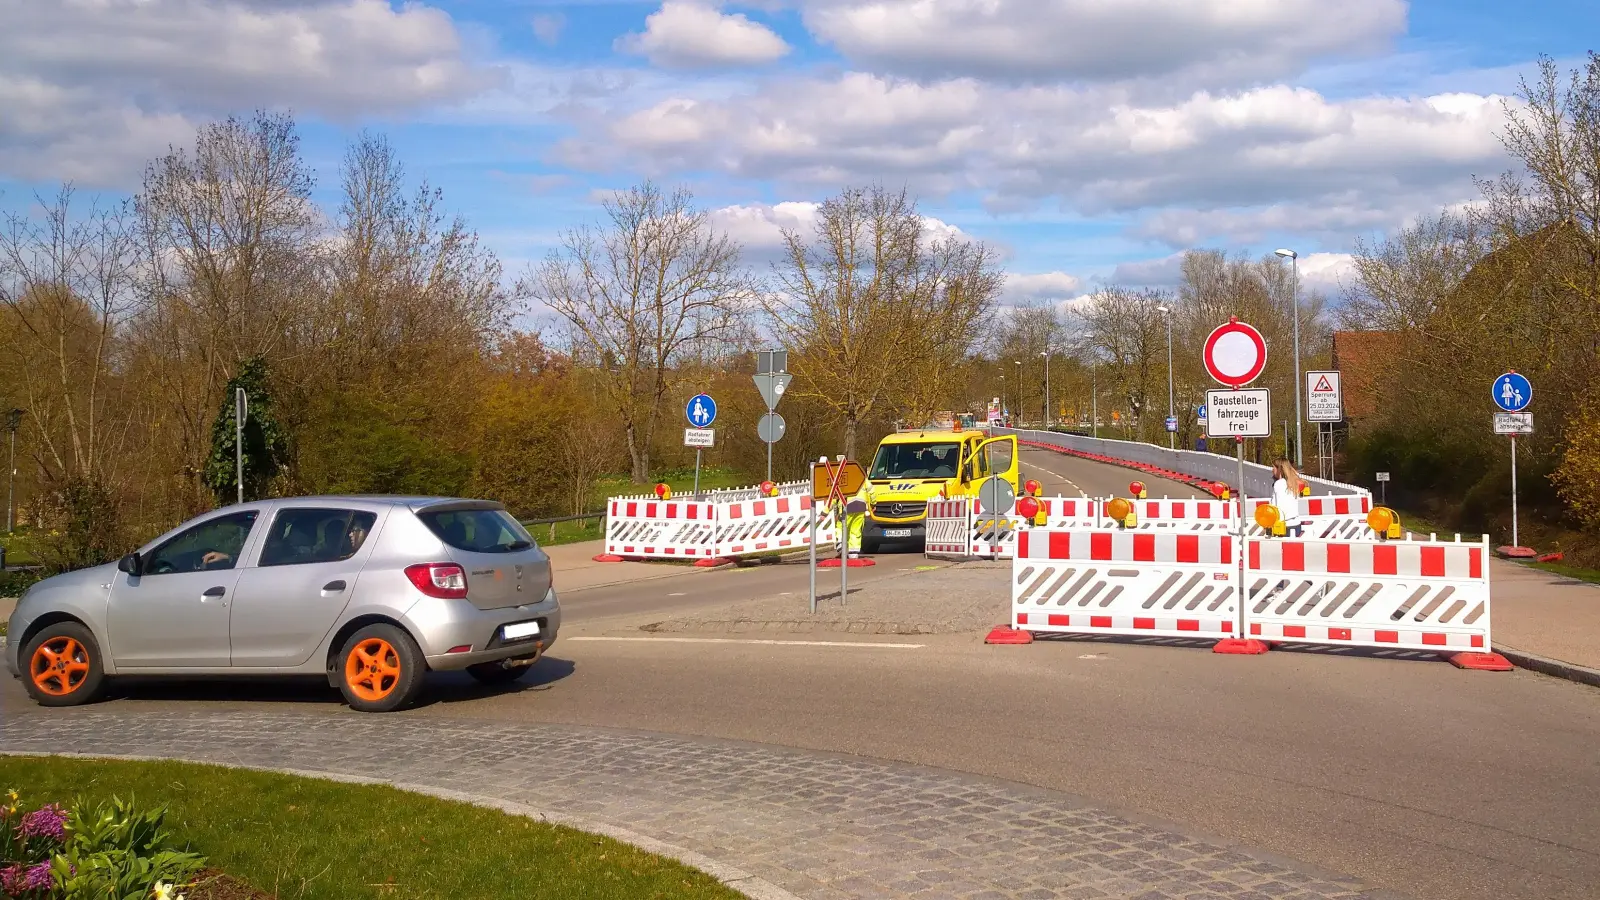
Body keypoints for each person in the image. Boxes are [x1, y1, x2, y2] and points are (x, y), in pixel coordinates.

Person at [1271, 458, 1305, 537]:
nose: (1272, 470)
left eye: (1274, 468)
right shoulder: (1293, 482)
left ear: (1279, 469)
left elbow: (1279, 507)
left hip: (1284, 526)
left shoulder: (1279, 484)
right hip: (1296, 524)